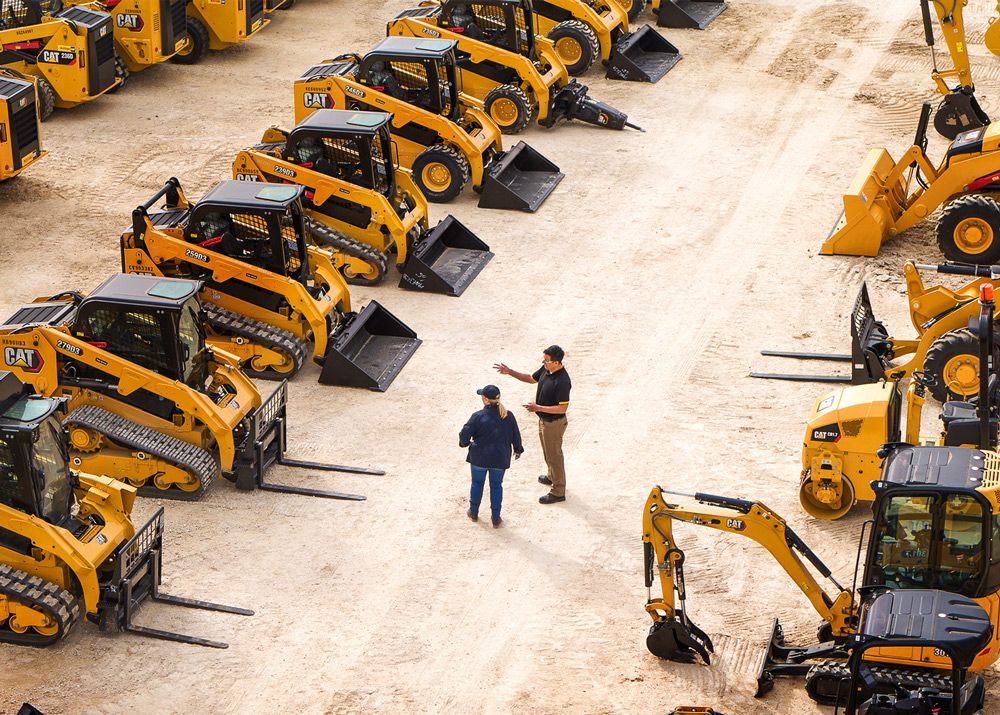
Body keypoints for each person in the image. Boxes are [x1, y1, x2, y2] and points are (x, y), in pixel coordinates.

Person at [494, 345, 571, 504]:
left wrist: (538, 408)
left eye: (547, 360)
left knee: (554, 456)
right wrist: (510, 372)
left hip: (554, 423)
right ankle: (551, 476)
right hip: (544, 421)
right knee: (548, 452)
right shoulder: (546, 369)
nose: (543, 362)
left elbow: (562, 408)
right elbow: (531, 378)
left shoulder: (562, 381)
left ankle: (558, 491)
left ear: (557, 362)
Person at [459, 384, 523, 528]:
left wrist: (464, 443)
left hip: (479, 458)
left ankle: (473, 512)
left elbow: (465, 434)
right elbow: (515, 435)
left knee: (477, 484)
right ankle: (496, 517)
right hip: (500, 458)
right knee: (496, 486)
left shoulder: (478, 416)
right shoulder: (508, 415)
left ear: (486, 400)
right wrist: (518, 449)